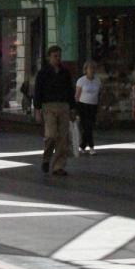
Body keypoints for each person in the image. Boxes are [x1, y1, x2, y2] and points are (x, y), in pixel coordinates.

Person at [34, 46, 77, 177]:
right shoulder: (43, 73)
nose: (58, 59)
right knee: (51, 135)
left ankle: (58, 166)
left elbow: (70, 91)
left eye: (59, 56)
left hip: (63, 105)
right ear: (49, 57)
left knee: (63, 138)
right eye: (55, 56)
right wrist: (37, 109)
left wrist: (72, 108)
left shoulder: (65, 73)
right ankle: (46, 158)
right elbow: (38, 92)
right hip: (49, 106)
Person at [75, 61, 101, 156]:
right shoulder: (81, 81)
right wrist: (75, 109)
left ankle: (82, 146)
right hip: (83, 106)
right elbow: (77, 95)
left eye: (93, 68)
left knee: (89, 127)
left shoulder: (98, 80)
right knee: (87, 126)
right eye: (90, 68)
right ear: (85, 70)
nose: (92, 70)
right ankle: (91, 147)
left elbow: (99, 94)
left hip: (93, 106)